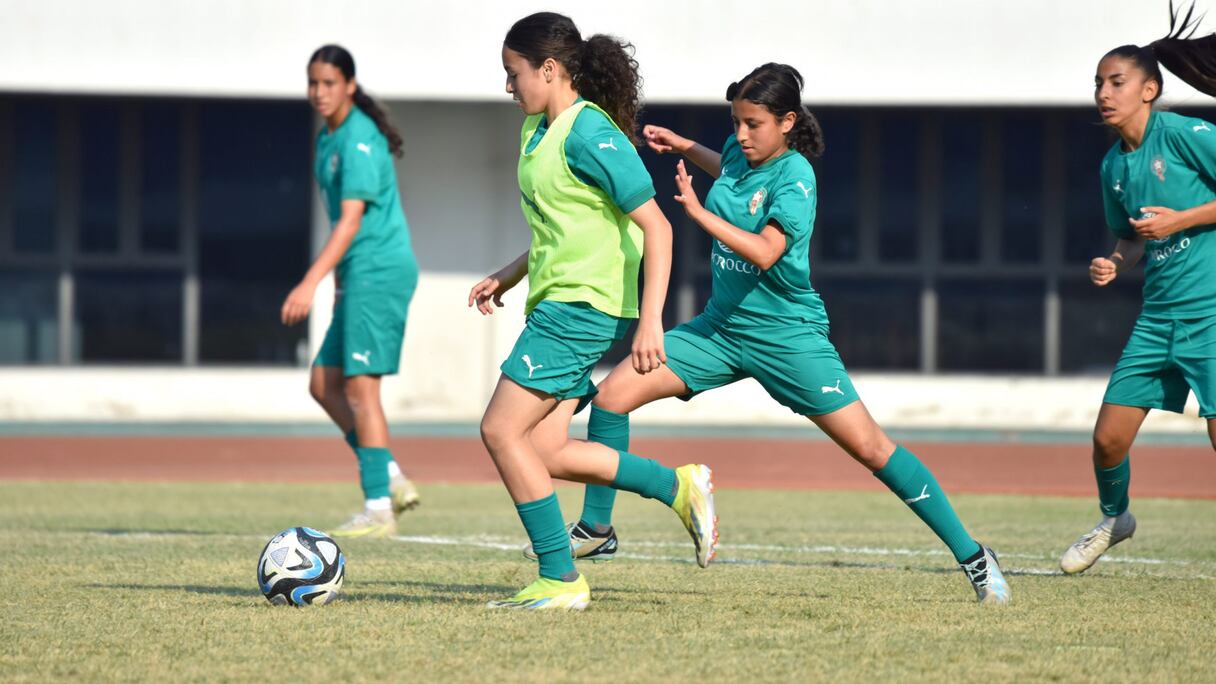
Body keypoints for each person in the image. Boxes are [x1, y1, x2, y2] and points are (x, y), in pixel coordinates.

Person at [534, 62, 1011, 604]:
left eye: (753, 123)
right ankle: (598, 530)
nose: (740, 134)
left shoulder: (797, 176)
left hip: (788, 337)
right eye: (735, 120)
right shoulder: (742, 151)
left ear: (786, 122)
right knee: (613, 398)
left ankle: (973, 554)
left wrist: (696, 212)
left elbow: (764, 250)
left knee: (872, 448)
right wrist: (685, 145)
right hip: (720, 329)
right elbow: (732, 172)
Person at [471, 12, 716, 611]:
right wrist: (506, 276)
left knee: (500, 431)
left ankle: (560, 578)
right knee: (549, 451)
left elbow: (657, 229)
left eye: (514, 73)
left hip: (581, 309)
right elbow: (565, 227)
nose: (509, 86)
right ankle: (677, 486)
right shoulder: (536, 130)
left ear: (549, 69)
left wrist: (651, 321)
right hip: (556, 301)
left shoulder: (592, 134)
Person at [1061, 4, 1216, 574]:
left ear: (1149, 89)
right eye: (1098, 83)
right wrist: (1116, 262)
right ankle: (1115, 518)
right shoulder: (1113, 167)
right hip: (1158, 320)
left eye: (1116, 82)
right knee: (1107, 440)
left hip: (1212, 314)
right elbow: (1130, 237)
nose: (1103, 92)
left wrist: (1181, 219)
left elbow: (1173, 221)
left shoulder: (1185, 135)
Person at [281, 44, 421, 539]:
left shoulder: (359, 139)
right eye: (313, 83)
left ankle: (379, 508)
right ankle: (391, 477)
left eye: (328, 83)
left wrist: (309, 282)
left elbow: (350, 222)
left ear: (350, 86)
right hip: (357, 274)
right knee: (323, 383)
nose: (319, 92)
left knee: (362, 390)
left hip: (378, 270)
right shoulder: (329, 136)